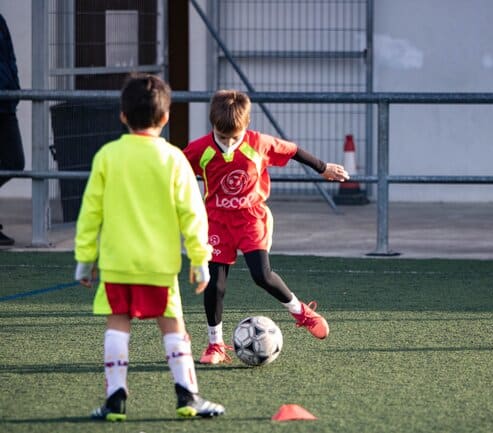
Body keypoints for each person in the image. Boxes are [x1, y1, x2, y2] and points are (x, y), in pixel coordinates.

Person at [74, 73, 225, 421]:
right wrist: (201, 259)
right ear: (166, 116)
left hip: (116, 263)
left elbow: (90, 212)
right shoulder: (173, 159)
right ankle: (188, 397)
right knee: (174, 328)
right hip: (159, 266)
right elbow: (193, 213)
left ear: (123, 116)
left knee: (117, 325)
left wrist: (85, 259)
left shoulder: (107, 156)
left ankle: (115, 400)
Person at [183, 89, 349, 364]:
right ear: (213, 125)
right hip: (216, 221)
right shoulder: (199, 149)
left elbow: (293, 150)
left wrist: (323, 167)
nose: (228, 142)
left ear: (246, 126)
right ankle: (215, 345)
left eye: (234, 136)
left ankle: (301, 312)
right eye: (222, 136)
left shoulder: (258, 143)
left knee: (261, 275)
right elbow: (176, 170)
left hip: (251, 218)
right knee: (215, 283)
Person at [0, 14, 25, 245]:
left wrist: (15, 89)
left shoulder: (0, 20)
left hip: (6, 103)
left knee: (15, 162)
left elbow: (10, 57)